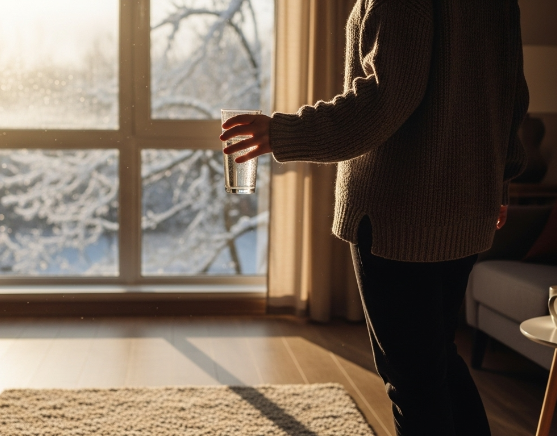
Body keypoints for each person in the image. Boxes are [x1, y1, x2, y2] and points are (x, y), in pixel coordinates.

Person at [220, 1, 527, 434]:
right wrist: (500, 182)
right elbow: (513, 92)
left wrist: (282, 132)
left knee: (415, 383)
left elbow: (384, 100)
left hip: (399, 213)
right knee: (437, 362)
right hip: (468, 206)